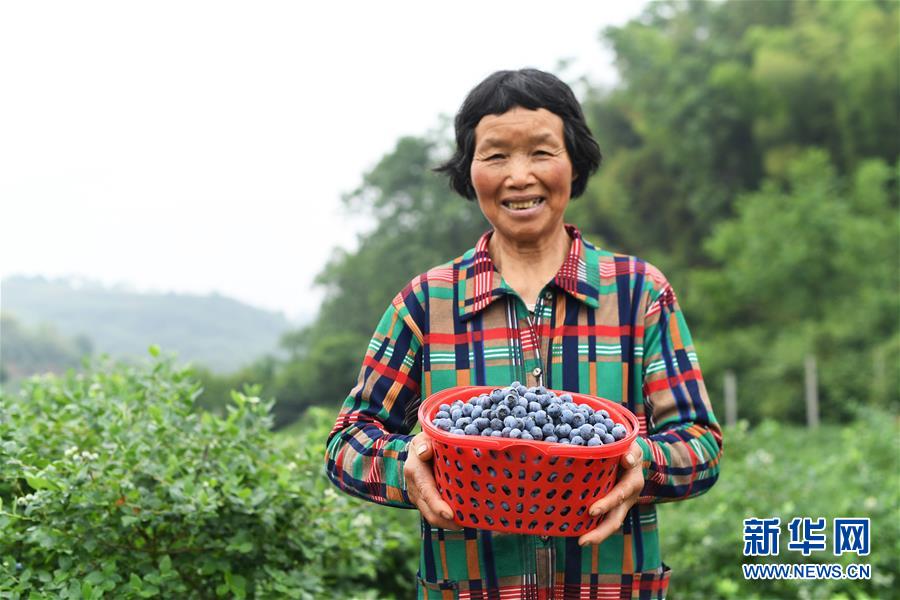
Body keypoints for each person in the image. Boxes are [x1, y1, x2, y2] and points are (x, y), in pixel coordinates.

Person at [325, 68, 723, 600]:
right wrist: (408, 467)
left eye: (541, 151)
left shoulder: (638, 295)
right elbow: (347, 440)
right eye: (495, 156)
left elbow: (699, 442)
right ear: (469, 171)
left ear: (574, 161)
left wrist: (640, 465)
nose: (519, 176)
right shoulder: (427, 303)